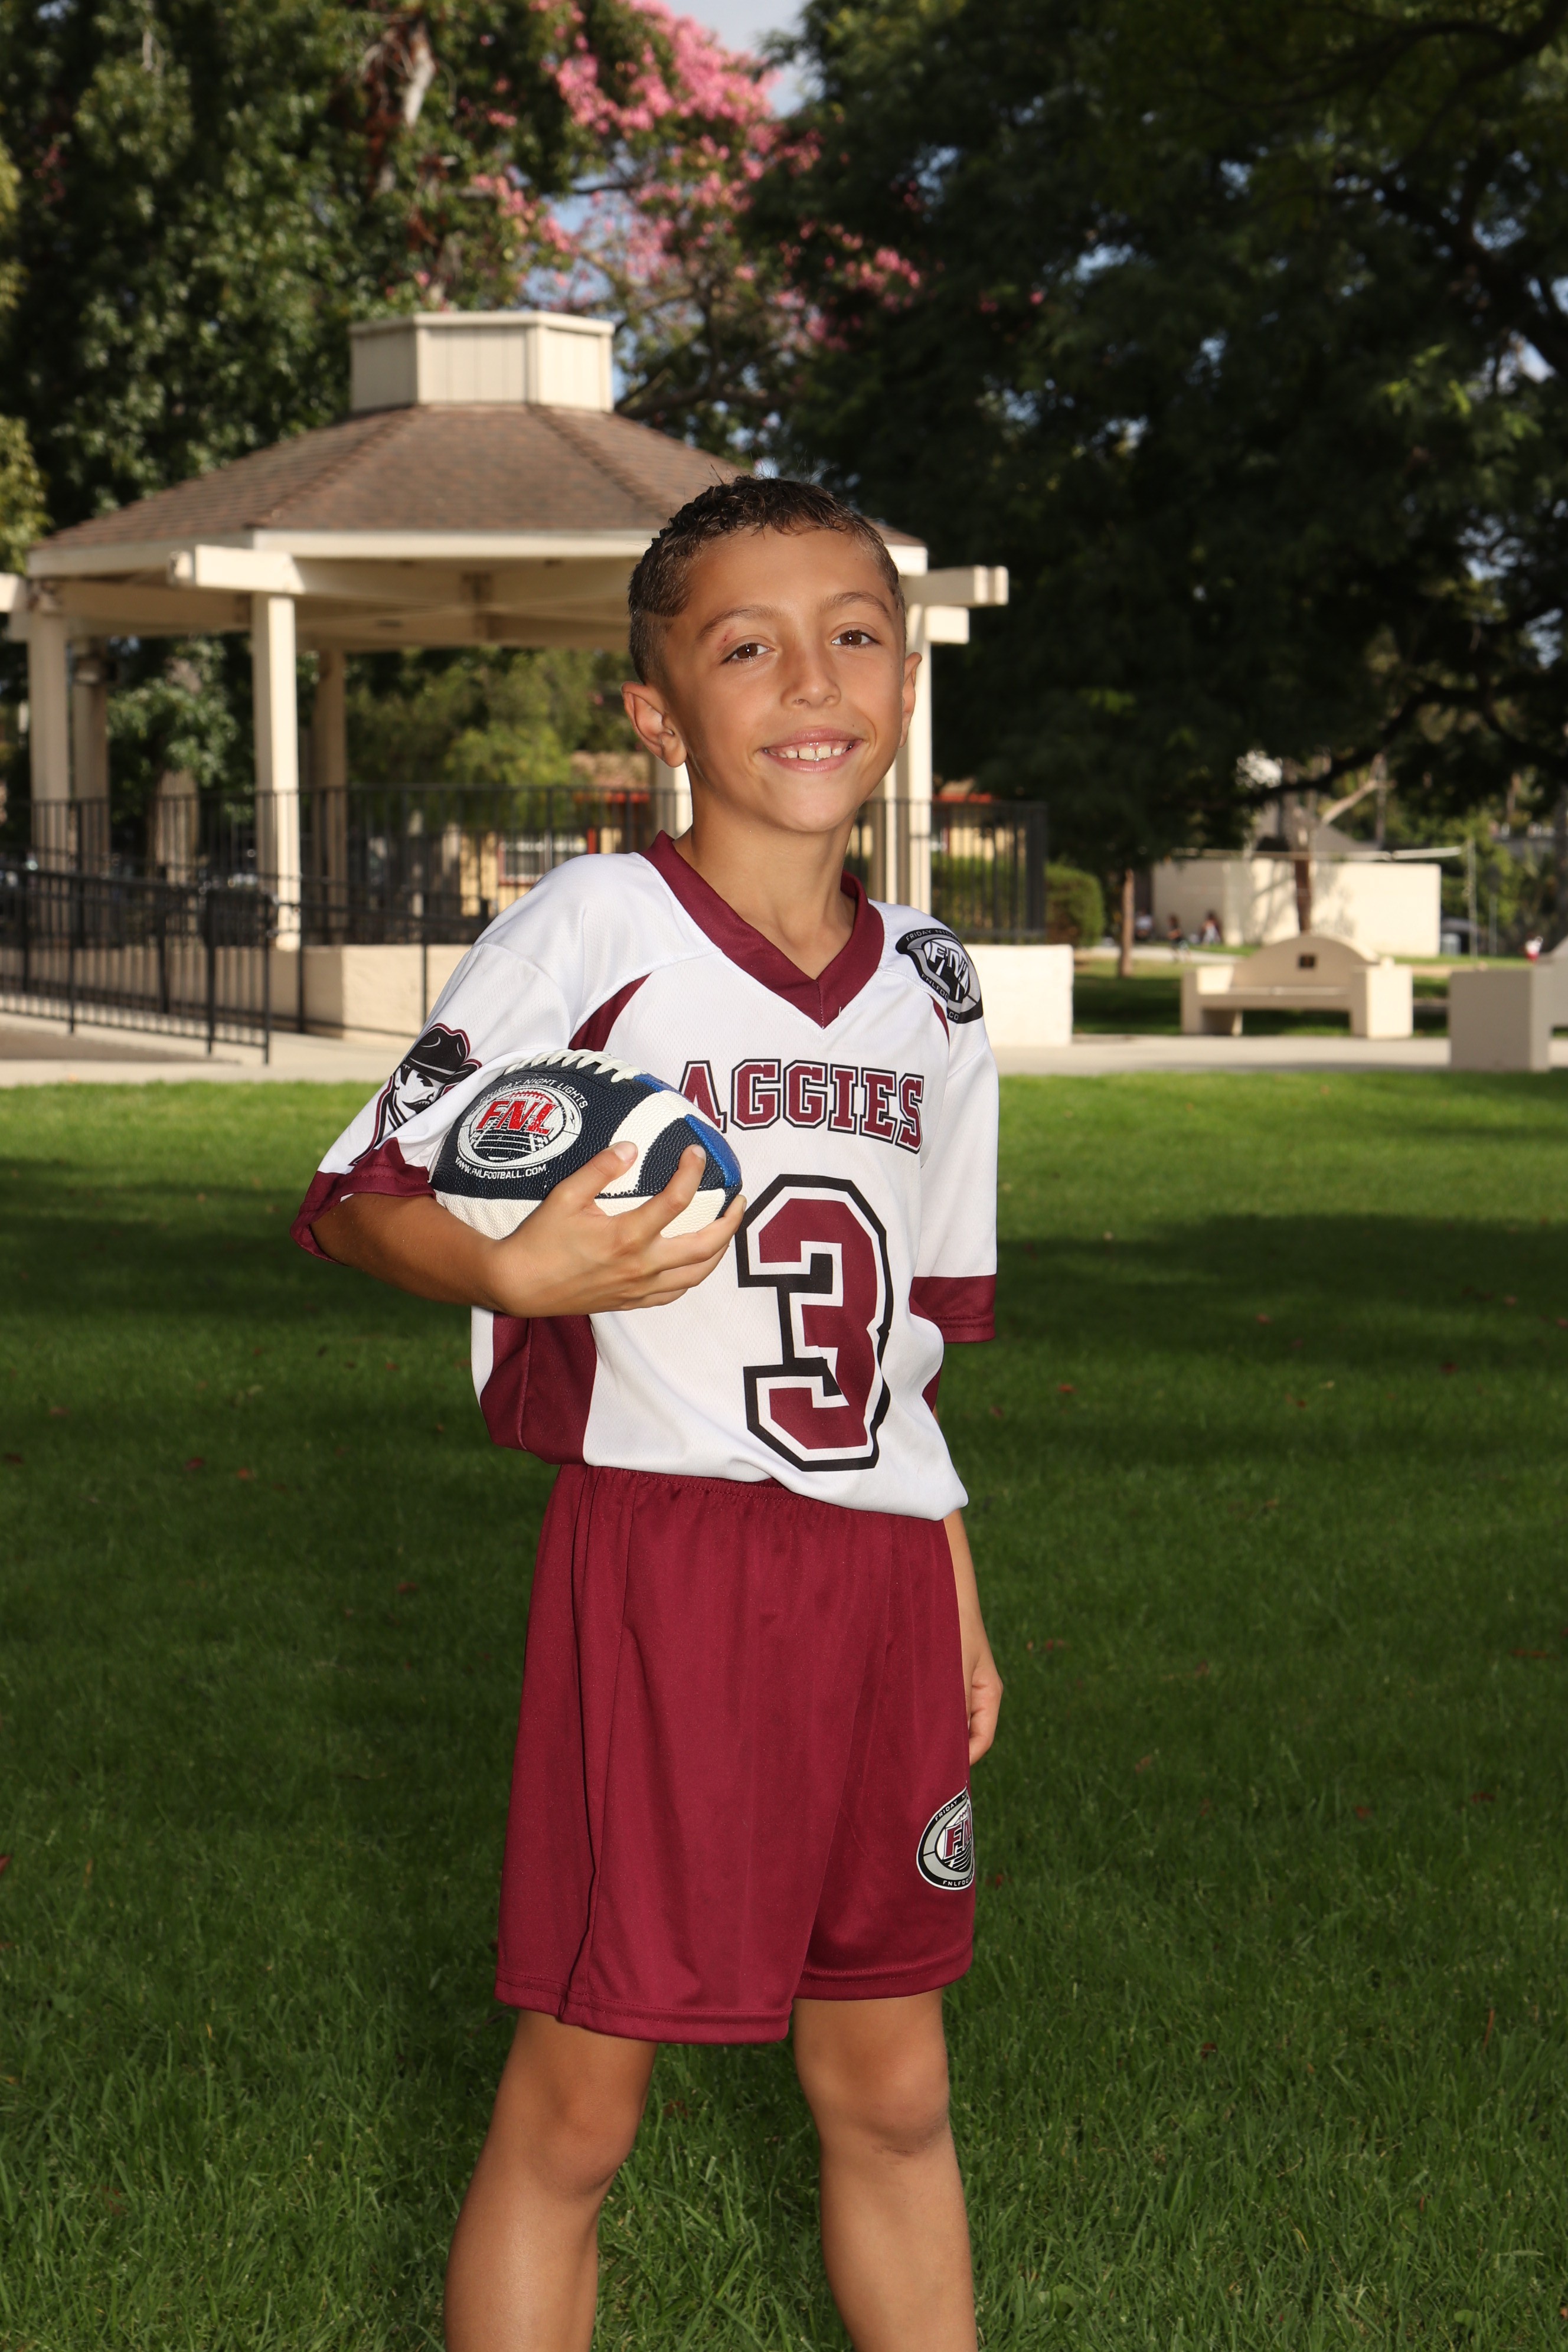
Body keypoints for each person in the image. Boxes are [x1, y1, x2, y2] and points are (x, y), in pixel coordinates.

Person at [290, 476, 1003, 2352]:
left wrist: (953, 1587)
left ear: (906, 679)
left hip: (879, 1585)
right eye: (747, 647)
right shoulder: (596, 923)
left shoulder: (934, 987)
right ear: (657, 709)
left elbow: (909, 1350)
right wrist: (516, 1272)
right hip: (666, 1562)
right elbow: (359, 1198)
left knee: (895, 2090)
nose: (811, 682)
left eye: (854, 635)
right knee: (583, 2103)